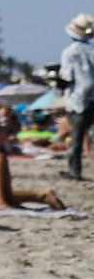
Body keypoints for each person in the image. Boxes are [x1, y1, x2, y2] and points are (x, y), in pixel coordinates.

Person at [60, 13, 94, 180]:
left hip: (78, 100)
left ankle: (75, 171)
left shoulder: (69, 53)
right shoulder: (92, 50)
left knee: (76, 139)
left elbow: (66, 77)